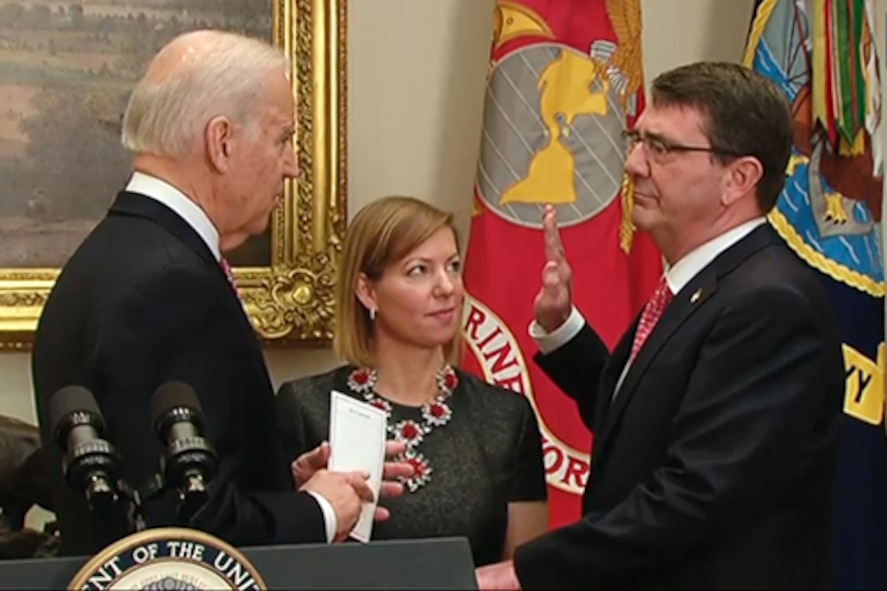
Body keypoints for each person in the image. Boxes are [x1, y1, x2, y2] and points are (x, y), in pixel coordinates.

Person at [31, 30, 408, 556]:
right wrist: (320, 511)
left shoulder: (108, 255)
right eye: (282, 138)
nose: (293, 164)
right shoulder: (171, 285)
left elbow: (158, 482)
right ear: (222, 142)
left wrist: (284, 485)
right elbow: (183, 532)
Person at [476, 61, 845, 589]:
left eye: (663, 148)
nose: (632, 164)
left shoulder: (771, 305)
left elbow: (696, 494)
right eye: (637, 139)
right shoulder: (710, 281)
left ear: (738, 178)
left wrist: (523, 570)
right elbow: (648, 423)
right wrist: (564, 334)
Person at [276, 196, 549, 565]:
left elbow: (524, 574)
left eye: (452, 267)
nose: (447, 287)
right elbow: (277, 559)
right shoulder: (306, 406)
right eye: (419, 270)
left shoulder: (505, 417)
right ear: (367, 290)